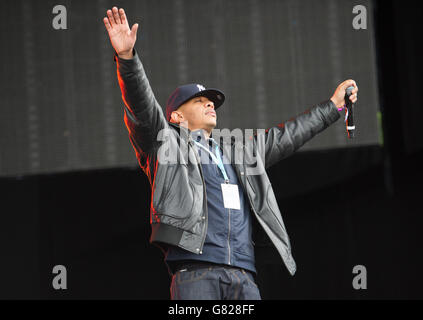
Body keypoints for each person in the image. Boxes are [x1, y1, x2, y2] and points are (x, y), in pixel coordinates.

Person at [103, 7, 358, 300]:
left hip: (243, 276)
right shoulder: (165, 145)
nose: (210, 104)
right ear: (175, 116)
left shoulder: (238, 150)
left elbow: (288, 136)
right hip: (195, 274)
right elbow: (142, 106)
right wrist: (126, 58)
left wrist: (333, 107)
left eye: (211, 101)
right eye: (199, 101)